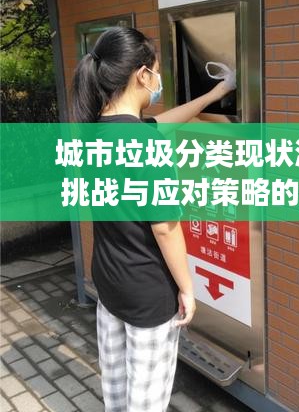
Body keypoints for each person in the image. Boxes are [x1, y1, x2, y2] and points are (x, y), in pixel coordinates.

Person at [71, 26, 236, 412]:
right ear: (142, 75)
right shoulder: (147, 145)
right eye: (157, 71)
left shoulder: (90, 134)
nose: (159, 81)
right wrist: (187, 289)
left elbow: (165, 122)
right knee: (146, 401)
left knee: (116, 390)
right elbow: (165, 228)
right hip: (148, 293)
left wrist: (215, 94)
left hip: (109, 284)